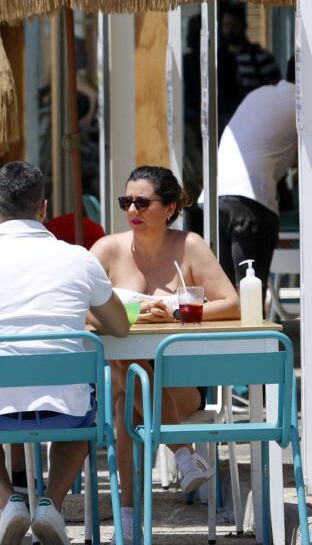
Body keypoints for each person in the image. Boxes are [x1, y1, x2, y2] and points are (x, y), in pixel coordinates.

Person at [0, 161, 130, 545]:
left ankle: (10, 503)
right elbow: (120, 327)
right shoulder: (79, 259)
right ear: (44, 208)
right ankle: (51, 504)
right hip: (67, 409)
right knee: (81, 411)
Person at [90, 165, 239, 543]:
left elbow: (232, 303)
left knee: (127, 398)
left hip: (181, 383)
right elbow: (77, 306)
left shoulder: (189, 246)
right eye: (127, 202)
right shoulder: (108, 250)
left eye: (143, 202)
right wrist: (134, 314)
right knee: (128, 380)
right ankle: (184, 455)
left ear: (170, 207)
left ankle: (127, 521)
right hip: (129, 380)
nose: (133, 210)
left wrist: (177, 310)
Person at [216, 59, 297, 295]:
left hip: (219, 197)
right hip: (251, 203)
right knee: (250, 295)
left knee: (228, 294)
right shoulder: (301, 104)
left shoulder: (261, 93)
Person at [219, 2, 280, 128]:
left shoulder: (260, 57)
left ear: (244, 26)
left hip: (255, 123)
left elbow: (277, 93)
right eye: (226, 26)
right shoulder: (216, 59)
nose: (230, 31)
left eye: (234, 26)